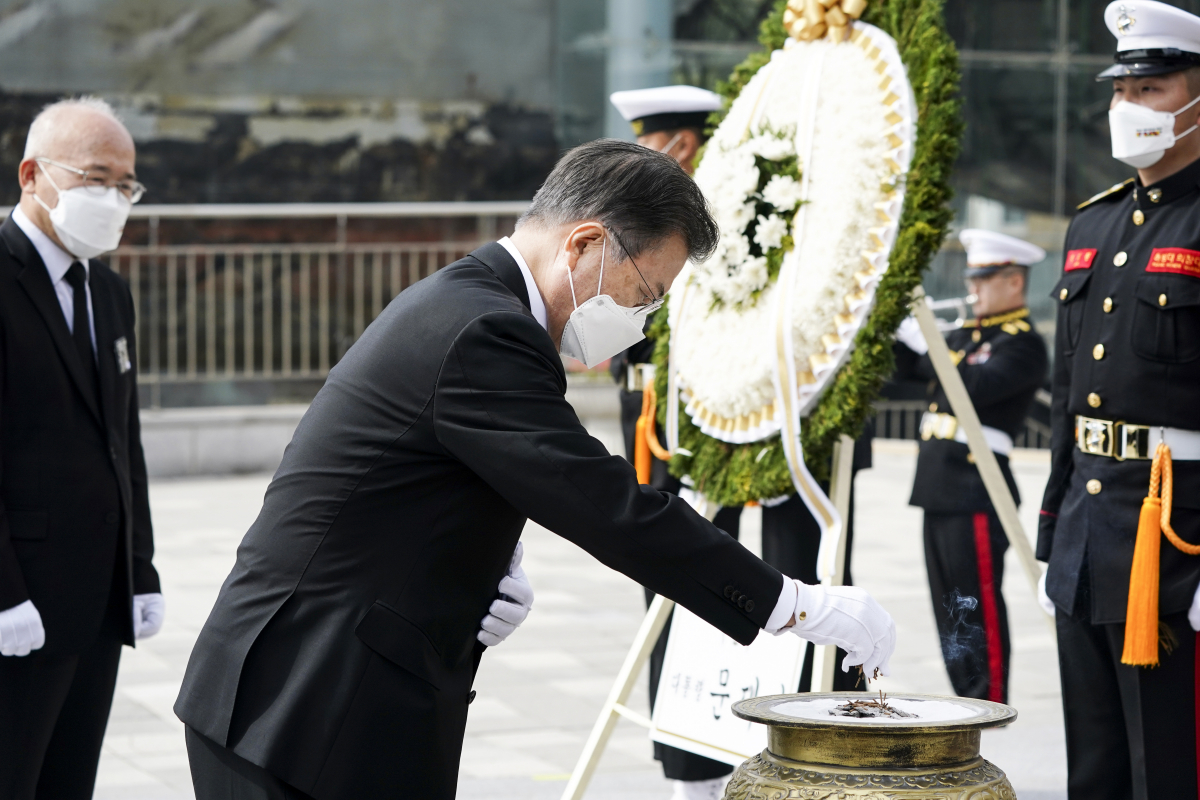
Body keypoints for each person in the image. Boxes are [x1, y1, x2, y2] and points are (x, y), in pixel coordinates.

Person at [173, 139, 897, 800]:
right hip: (304, 702)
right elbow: (605, 503)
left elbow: (429, 473)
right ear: (584, 245)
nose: (639, 323)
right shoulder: (487, 329)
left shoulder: (471, 301)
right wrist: (793, 604)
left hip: (325, 690)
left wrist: (488, 560)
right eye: (643, 296)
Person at [1038, 2, 1200, 797]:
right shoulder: (1091, 225)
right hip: (1088, 536)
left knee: (1168, 767)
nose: (1128, 107)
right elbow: (1069, 400)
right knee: (1094, 768)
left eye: (1152, 89)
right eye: (1120, 91)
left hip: (1178, 542)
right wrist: (1052, 533)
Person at [0, 97, 164, 800]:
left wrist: (140, 568)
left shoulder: (109, 291)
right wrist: (3, 594)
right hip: (19, 601)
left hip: (95, 599)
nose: (113, 199)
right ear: (32, 175)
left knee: (70, 783)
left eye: (126, 185)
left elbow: (123, 441)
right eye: (96, 178)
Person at [609, 85, 744, 800]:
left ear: (681, 145)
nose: (637, 158)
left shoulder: (715, 219)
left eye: (647, 144)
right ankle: (685, 767)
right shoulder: (641, 217)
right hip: (648, 427)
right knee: (659, 585)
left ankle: (711, 763)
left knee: (704, 579)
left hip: (697, 430)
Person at [894, 229, 1048, 704]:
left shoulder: (1023, 343)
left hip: (976, 484)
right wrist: (897, 330)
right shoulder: (965, 335)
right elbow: (906, 372)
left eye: (984, 278)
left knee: (975, 598)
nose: (972, 287)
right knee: (949, 605)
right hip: (938, 483)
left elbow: (972, 388)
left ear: (1014, 282)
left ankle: (988, 697)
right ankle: (965, 694)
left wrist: (929, 345)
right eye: (971, 278)